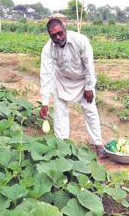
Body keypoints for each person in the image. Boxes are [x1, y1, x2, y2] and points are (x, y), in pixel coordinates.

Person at [39, 18, 107, 158]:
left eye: (60, 33)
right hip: (61, 80)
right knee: (60, 112)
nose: (58, 37)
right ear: (49, 35)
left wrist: (89, 87)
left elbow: (89, 66)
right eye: (54, 36)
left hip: (82, 80)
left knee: (90, 110)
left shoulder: (80, 40)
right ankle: (62, 145)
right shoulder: (47, 49)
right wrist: (44, 102)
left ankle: (98, 144)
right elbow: (45, 75)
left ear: (64, 29)